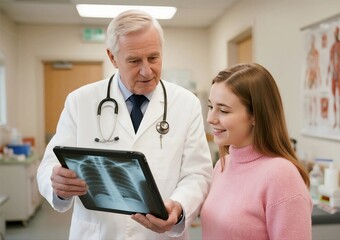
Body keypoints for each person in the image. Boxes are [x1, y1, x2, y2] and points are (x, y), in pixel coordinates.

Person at [37, 10, 213, 240]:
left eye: (153, 57)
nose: (147, 70)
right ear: (112, 58)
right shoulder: (80, 101)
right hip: (99, 233)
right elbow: (49, 164)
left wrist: (179, 207)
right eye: (134, 61)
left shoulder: (186, 103)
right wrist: (57, 182)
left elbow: (198, 173)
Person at [201, 63, 312, 240]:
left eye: (223, 110)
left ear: (255, 115)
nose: (210, 118)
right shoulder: (223, 164)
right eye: (210, 107)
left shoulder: (282, 176)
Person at [305, 35, 321, 126]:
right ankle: (311, 119)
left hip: (314, 76)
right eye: (311, 41)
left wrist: (319, 78)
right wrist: (305, 80)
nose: (312, 42)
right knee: (310, 100)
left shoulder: (316, 53)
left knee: (314, 100)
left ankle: (315, 119)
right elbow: (308, 67)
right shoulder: (309, 54)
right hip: (310, 77)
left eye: (313, 41)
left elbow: (317, 65)